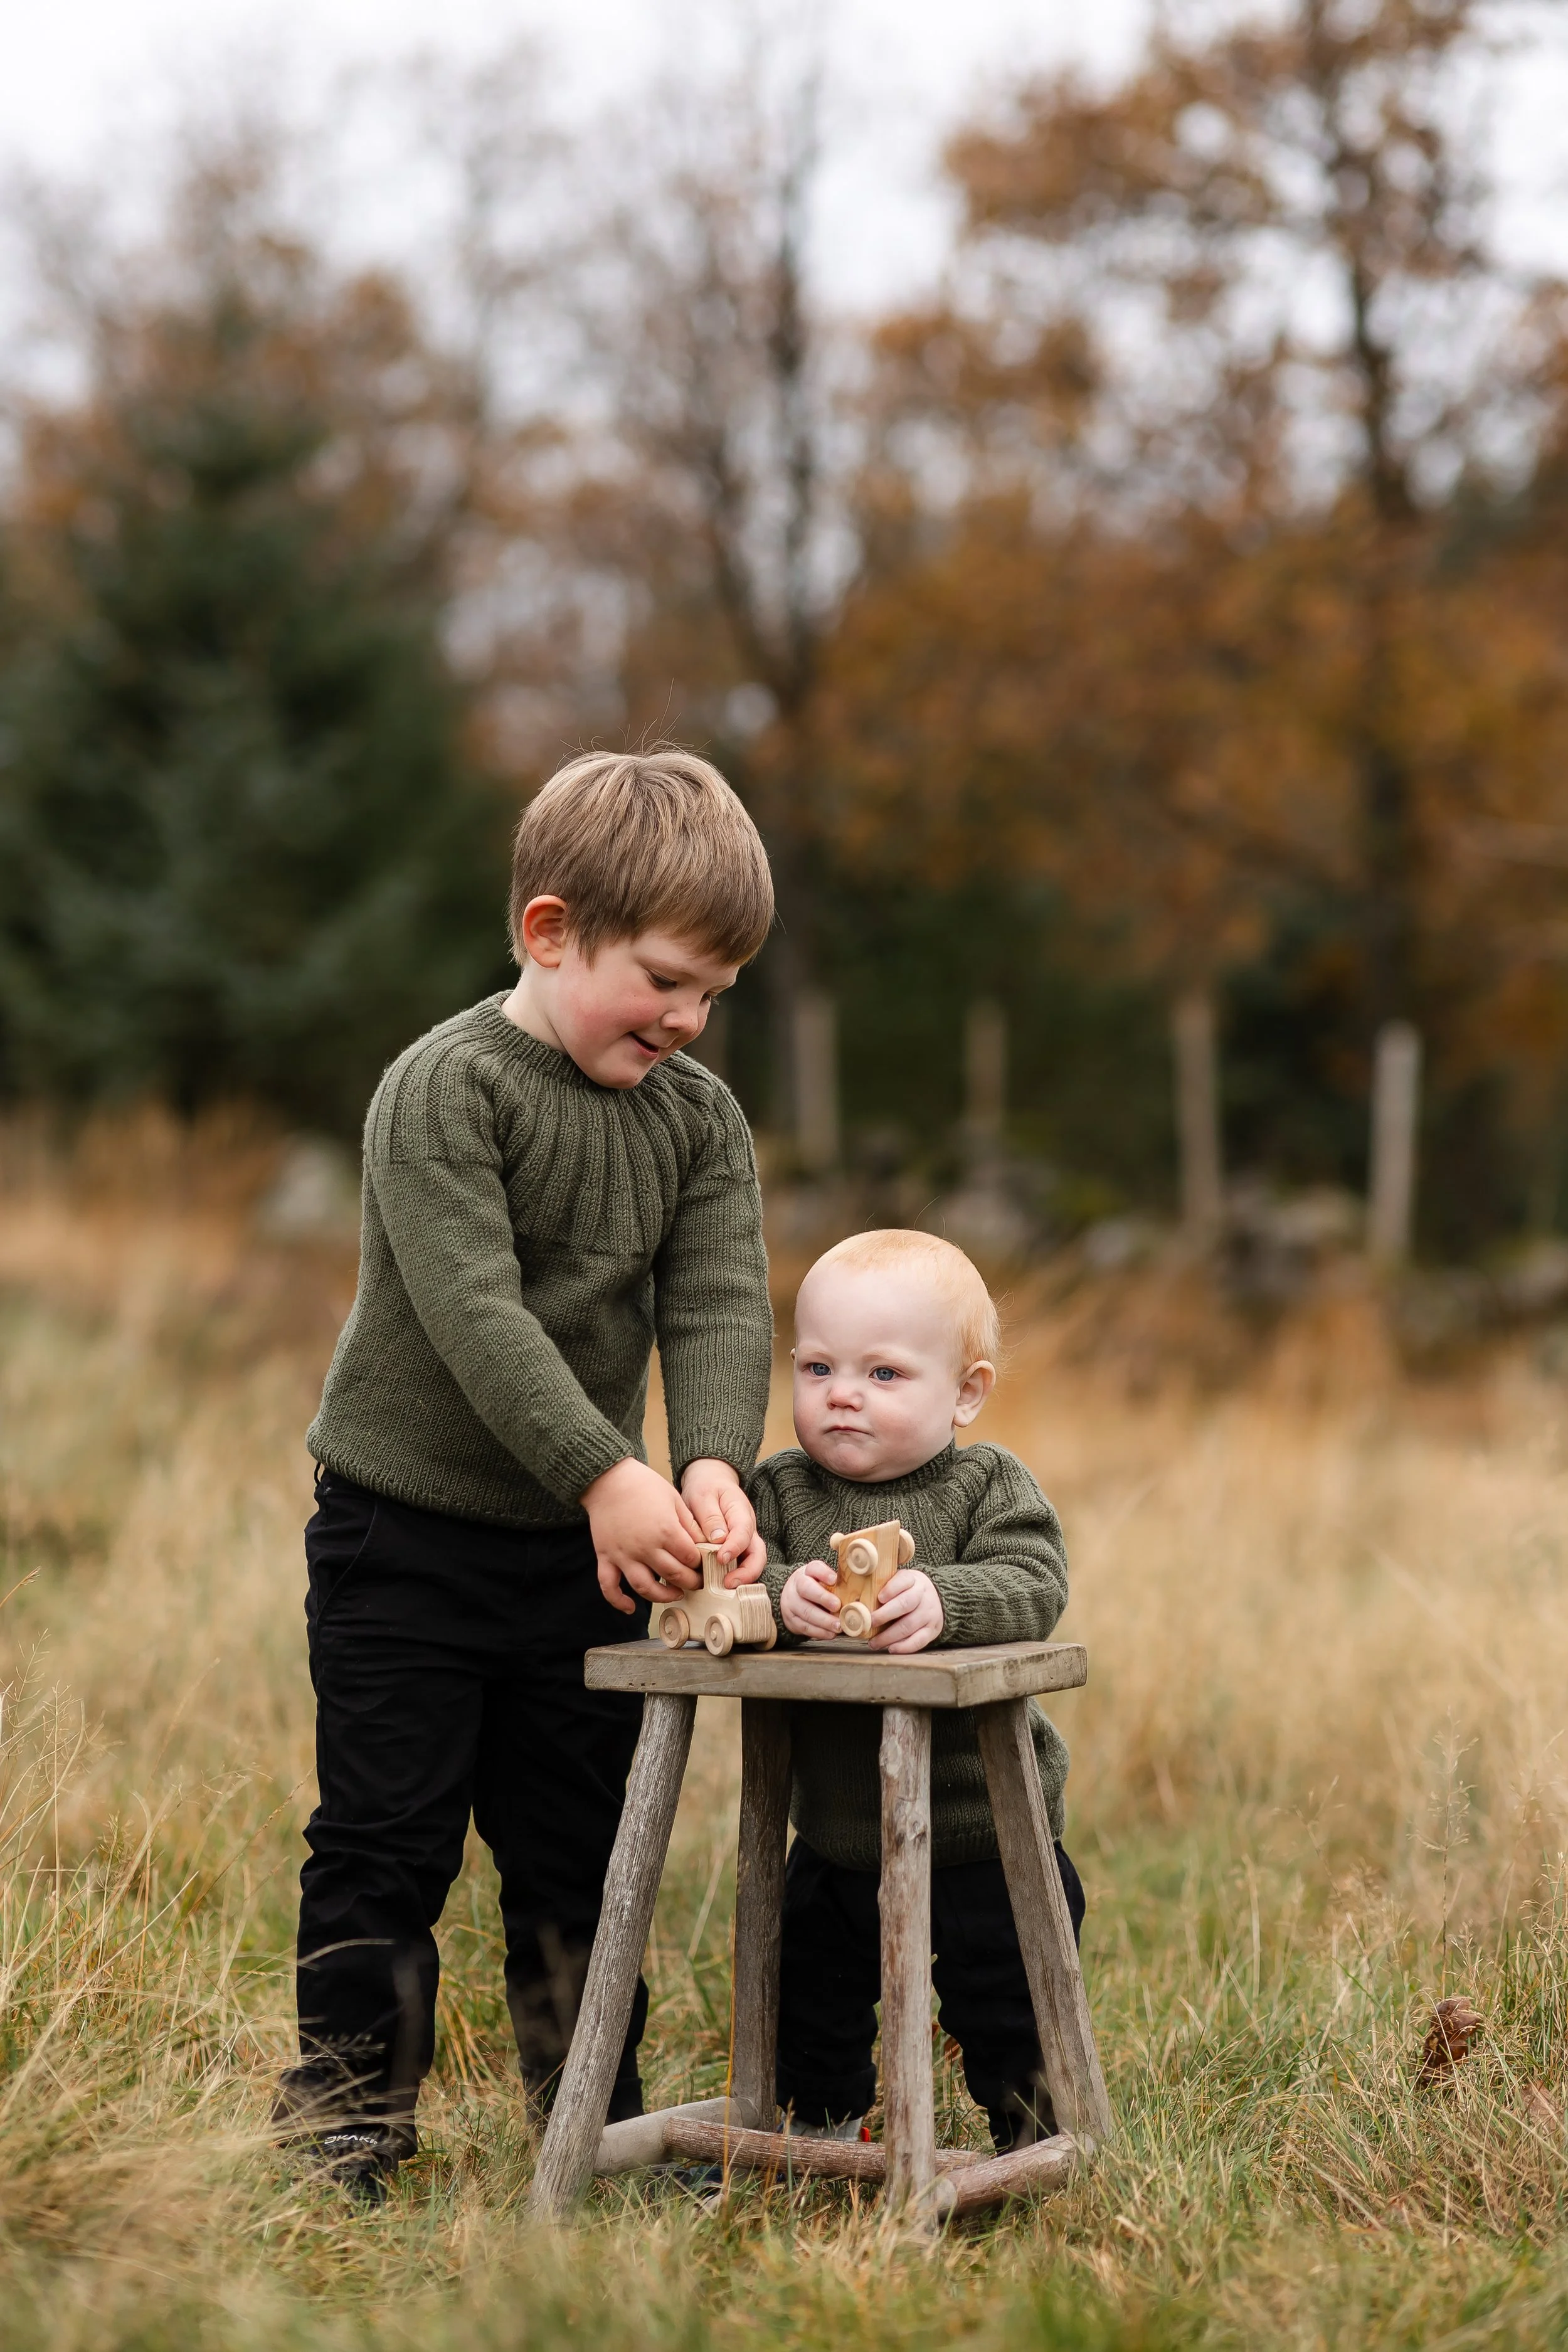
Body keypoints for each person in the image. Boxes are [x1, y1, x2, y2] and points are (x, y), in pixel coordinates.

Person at [275, 750, 776, 2200]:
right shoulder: (442, 1093)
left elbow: (720, 1301)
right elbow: (474, 1313)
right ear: (552, 932)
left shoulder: (699, 1124)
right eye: (666, 981)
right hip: (404, 1539)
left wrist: (704, 1466)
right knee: (387, 1838)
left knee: (580, 1852)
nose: (686, 1021)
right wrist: (603, 1469)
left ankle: (589, 2125)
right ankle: (349, 2117)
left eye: (713, 997)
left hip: (583, 1556)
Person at [751, 1228, 1084, 2153]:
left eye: (883, 1374)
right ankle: (821, 2121)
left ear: (965, 1392)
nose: (842, 1393)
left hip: (980, 1824)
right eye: (817, 1366)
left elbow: (1035, 1579)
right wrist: (782, 1592)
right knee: (808, 1983)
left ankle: (1033, 2129)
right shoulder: (780, 1491)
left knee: (1005, 1987)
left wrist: (947, 1596)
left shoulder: (986, 1483)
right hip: (841, 1828)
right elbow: (734, 1576)